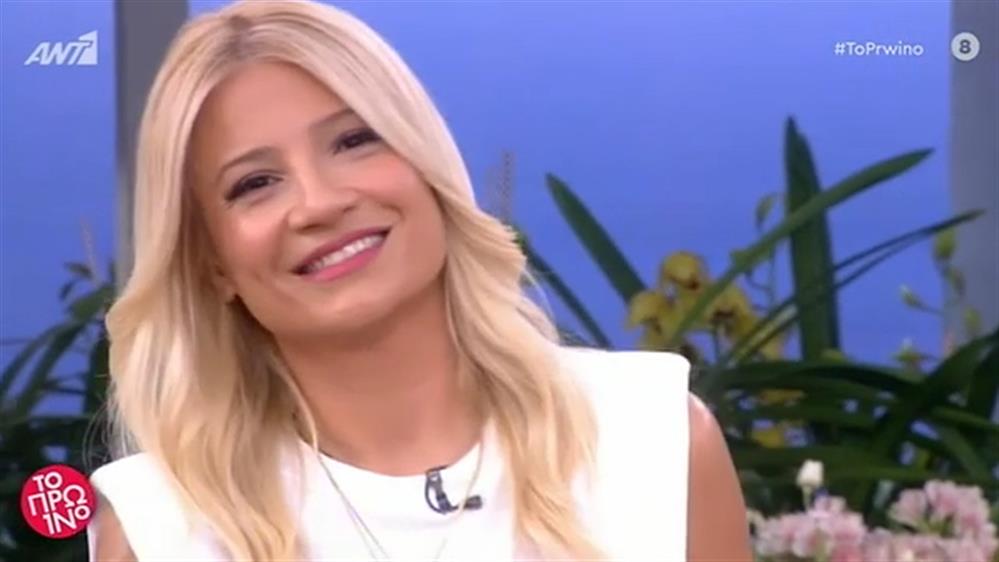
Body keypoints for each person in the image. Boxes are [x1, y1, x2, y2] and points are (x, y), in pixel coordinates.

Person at [87, 1, 751, 560]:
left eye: (354, 140)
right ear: (211, 263)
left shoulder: (653, 438)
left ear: (426, 165)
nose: (319, 203)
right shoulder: (161, 530)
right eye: (255, 183)